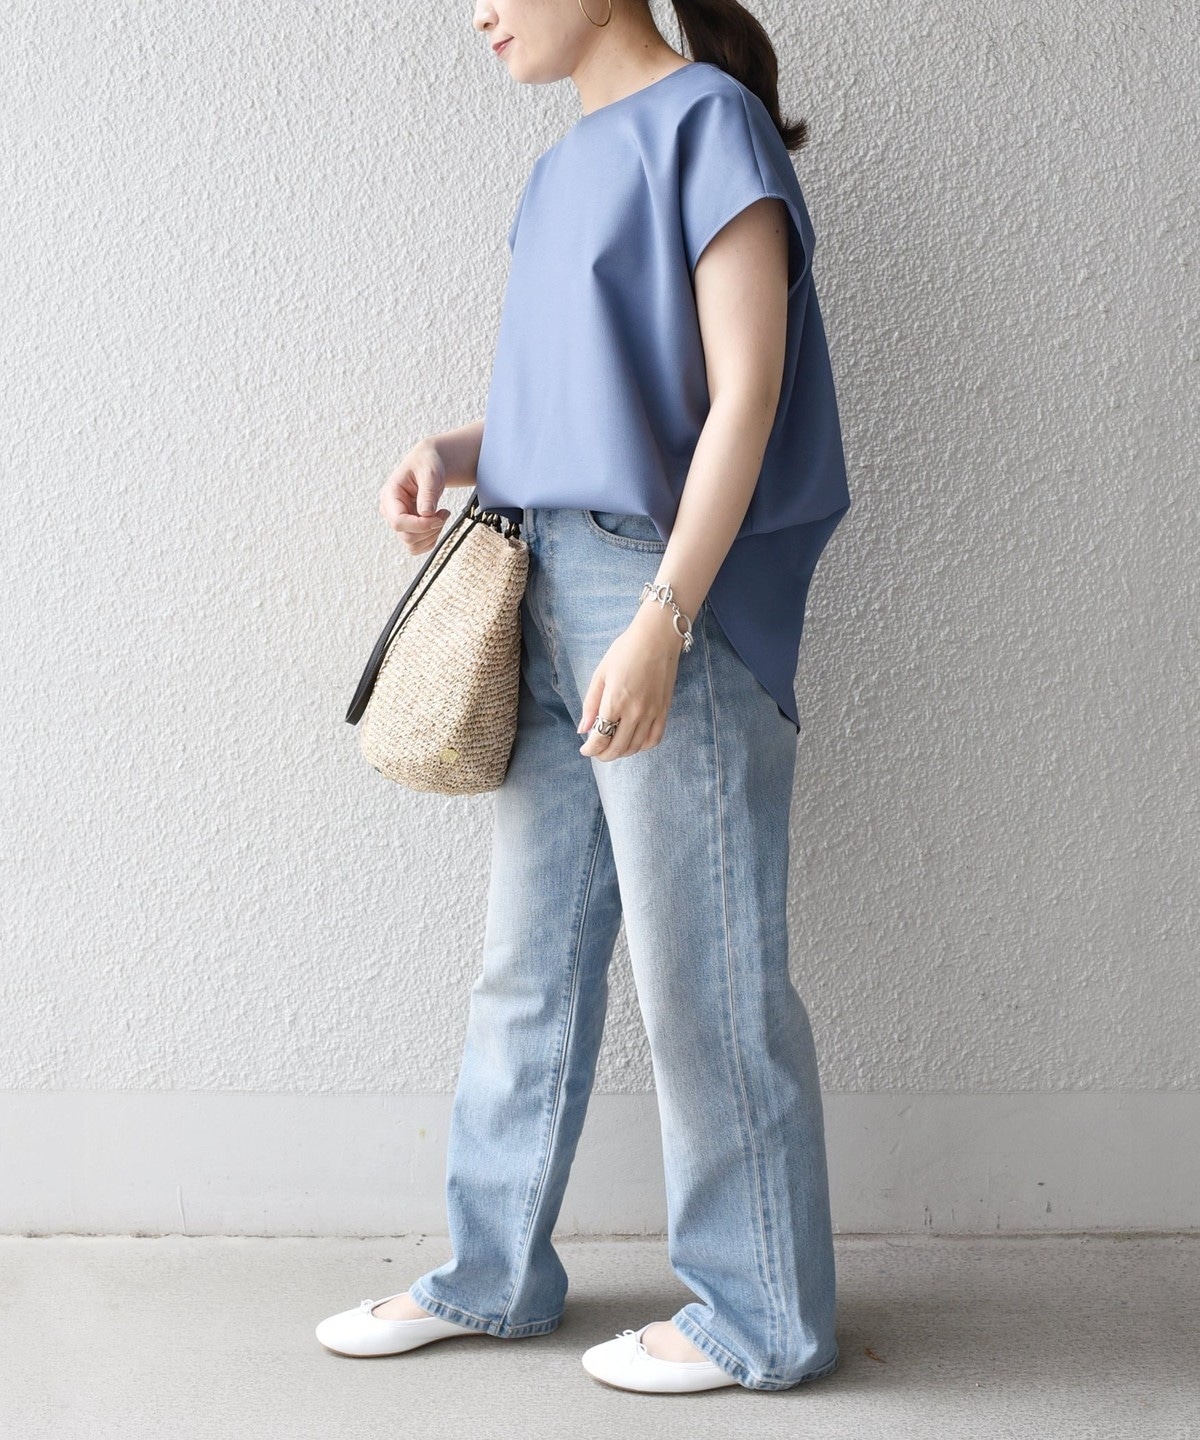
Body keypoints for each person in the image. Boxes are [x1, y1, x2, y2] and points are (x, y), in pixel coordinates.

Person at [316, 0, 851, 1395]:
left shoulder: (709, 125)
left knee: (703, 970)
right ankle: (491, 1276)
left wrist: (667, 618)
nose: (478, 11)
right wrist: (454, 448)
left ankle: (762, 1318)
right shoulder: (559, 169)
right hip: (541, 577)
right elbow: (585, 402)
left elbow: (745, 395)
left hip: (662, 591)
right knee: (528, 961)